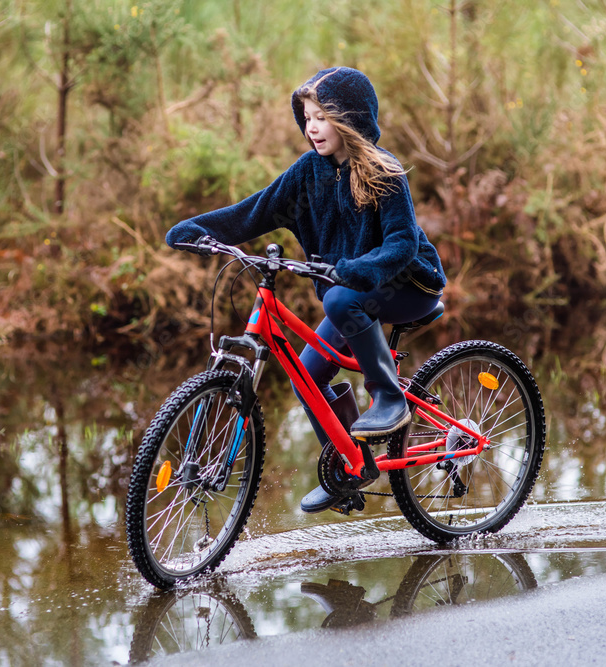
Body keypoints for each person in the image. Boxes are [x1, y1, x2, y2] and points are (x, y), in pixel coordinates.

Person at [166, 67, 446, 514]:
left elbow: (401, 244)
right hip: (352, 291)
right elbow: (252, 213)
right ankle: (351, 468)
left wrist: (356, 269)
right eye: (308, 117)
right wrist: (199, 230)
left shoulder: (384, 170)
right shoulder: (308, 173)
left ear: (350, 120)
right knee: (307, 373)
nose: (312, 127)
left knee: (338, 298)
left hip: (409, 284)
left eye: (322, 117)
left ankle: (389, 397)